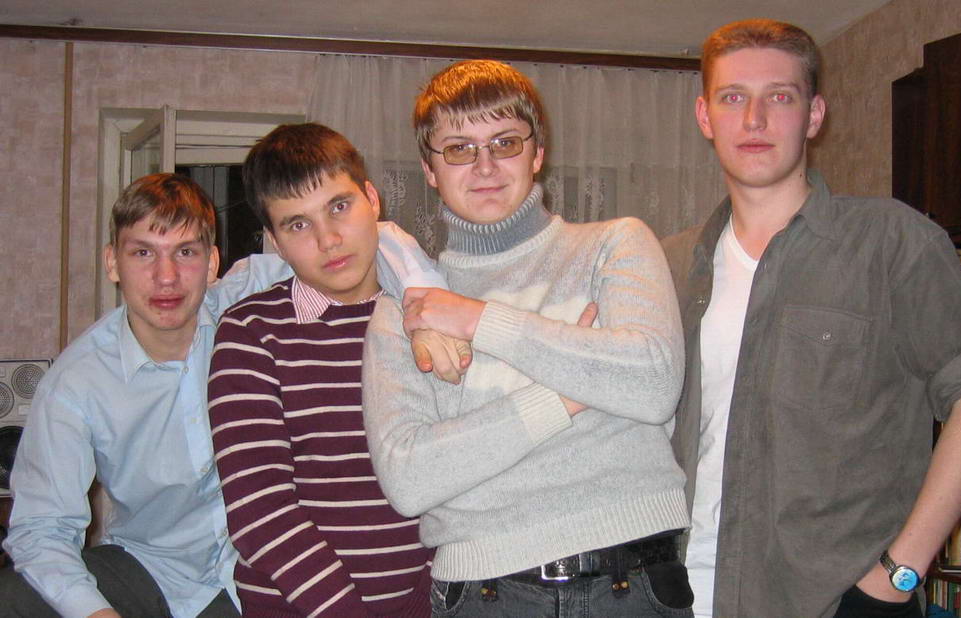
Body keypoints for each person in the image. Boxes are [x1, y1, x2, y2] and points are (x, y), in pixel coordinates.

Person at [661, 18, 961, 618]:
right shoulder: (671, 264)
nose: (754, 120)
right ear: (705, 116)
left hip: (833, 602)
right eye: (733, 98)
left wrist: (898, 573)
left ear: (814, 115)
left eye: (780, 97)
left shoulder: (893, 242)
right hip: (679, 593)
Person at [0, 171, 445, 618]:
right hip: (153, 569)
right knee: (17, 596)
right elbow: (40, 530)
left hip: (255, 573)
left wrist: (429, 312)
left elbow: (377, 240)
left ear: (212, 263)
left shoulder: (245, 301)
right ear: (112, 262)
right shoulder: (77, 382)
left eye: (186, 252)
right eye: (143, 253)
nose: (166, 277)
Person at [362, 59, 694, 617]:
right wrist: (569, 393)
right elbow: (409, 479)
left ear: (537, 153)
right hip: (483, 593)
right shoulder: (404, 312)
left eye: (505, 142)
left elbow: (654, 385)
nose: (485, 165)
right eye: (459, 148)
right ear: (429, 169)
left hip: (632, 583)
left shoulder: (615, 246)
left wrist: (479, 320)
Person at [207, 123, 434, 617]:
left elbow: (457, 478)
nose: (328, 239)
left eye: (339, 206)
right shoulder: (250, 333)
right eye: (297, 225)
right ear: (274, 241)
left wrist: (427, 603)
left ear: (372, 199)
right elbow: (260, 512)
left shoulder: (429, 321)